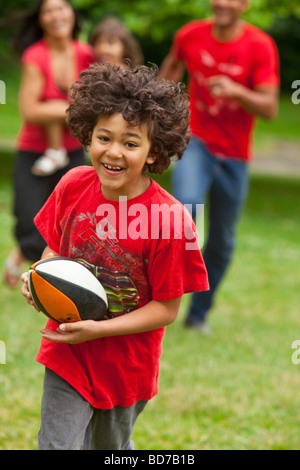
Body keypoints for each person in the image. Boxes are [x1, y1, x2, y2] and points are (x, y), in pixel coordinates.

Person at [21, 63, 209, 450]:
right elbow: (54, 249)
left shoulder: (170, 221)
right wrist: (37, 277)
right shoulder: (73, 184)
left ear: (154, 152)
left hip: (126, 367)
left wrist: (98, 330)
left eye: (130, 143)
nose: (113, 152)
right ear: (88, 135)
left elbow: (167, 309)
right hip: (67, 352)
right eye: (104, 137)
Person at [160, 0, 280, 333]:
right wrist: (161, 107)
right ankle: (161, 296)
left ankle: (198, 314)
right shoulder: (190, 35)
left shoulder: (260, 46)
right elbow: (171, 70)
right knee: (186, 211)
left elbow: (269, 108)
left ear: (245, 4)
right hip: (196, 140)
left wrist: (237, 91)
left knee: (223, 241)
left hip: (235, 154)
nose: (222, 4)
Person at [3, 0, 95, 287]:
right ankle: (29, 256)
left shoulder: (85, 53)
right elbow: (30, 111)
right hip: (34, 151)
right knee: (27, 220)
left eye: (61, 7)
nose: (56, 15)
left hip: (72, 151)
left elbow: (96, 100)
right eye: (48, 10)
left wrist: (56, 106)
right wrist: (75, 106)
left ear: (72, 13)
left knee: (74, 223)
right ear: (41, 19)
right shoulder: (36, 56)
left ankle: (51, 277)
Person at [36, 17, 144, 179]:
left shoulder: (123, 73)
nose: (103, 49)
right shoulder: (97, 71)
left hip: (117, 125)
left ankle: (56, 150)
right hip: (97, 125)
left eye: (110, 43)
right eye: (98, 43)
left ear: (124, 48)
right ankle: (56, 149)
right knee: (56, 106)